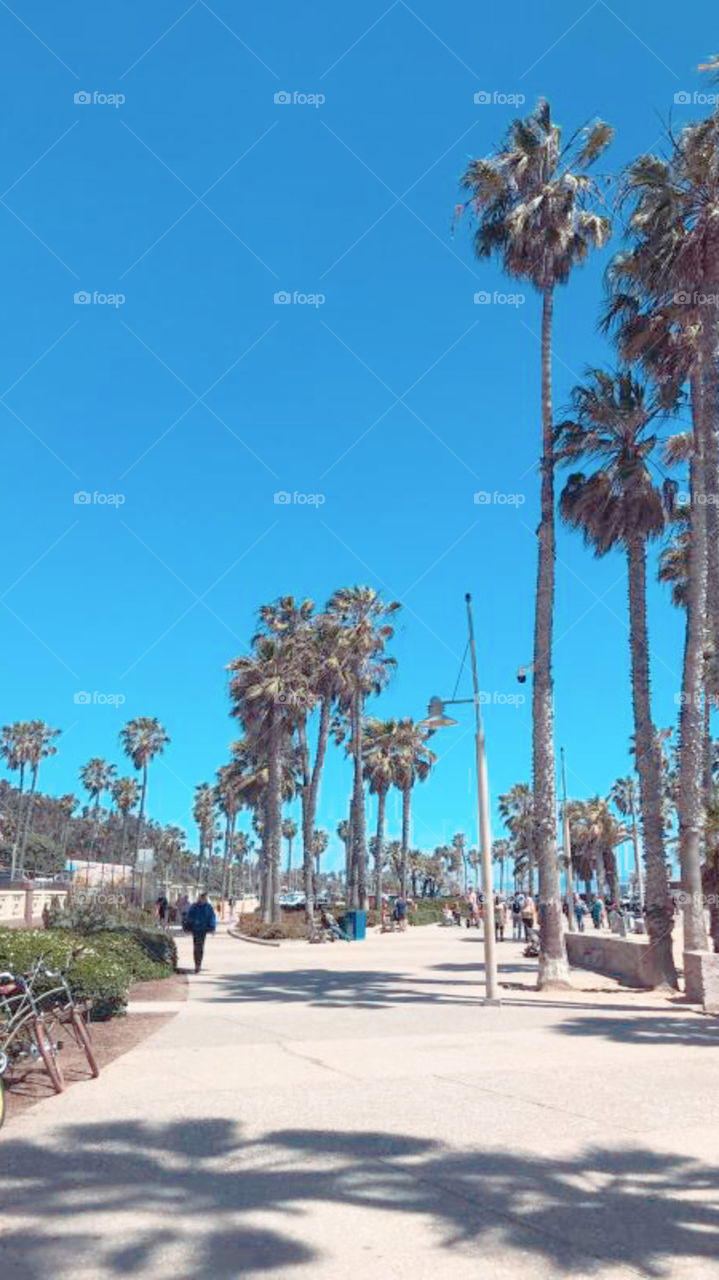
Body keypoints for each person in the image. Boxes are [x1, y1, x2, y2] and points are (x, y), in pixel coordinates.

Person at [187, 892, 216, 973]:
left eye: (204, 898)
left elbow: (212, 917)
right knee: (196, 947)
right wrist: (188, 927)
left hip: (203, 930)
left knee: (200, 947)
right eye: (201, 898)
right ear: (199, 898)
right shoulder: (194, 906)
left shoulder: (208, 907)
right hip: (195, 929)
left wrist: (212, 927)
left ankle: (199, 964)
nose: (203, 899)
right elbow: (189, 917)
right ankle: (197, 964)